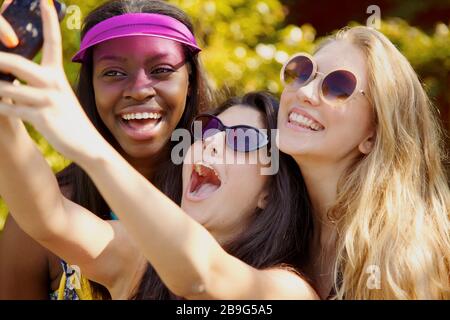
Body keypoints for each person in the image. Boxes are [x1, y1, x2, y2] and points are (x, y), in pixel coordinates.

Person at [0, 9, 318, 296]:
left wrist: (87, 145)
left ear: (272, 189)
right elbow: (48, 217)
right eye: (207, 131)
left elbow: (202, 277)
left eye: (242, 139)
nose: (211, 142)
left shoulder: (288, 289)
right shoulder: (140, 257)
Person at [0, 0, 211, 299]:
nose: (139, 89)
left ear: (190, 81)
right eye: (113, 73)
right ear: (91, 86)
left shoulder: (229, 202)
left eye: (161, 70)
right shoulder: (40, 213)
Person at [277, 26, 450, 299]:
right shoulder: (268, 219)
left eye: (338, 87)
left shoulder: (403, 255)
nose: (305, 92)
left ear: (373, 134)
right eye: (303, 72)